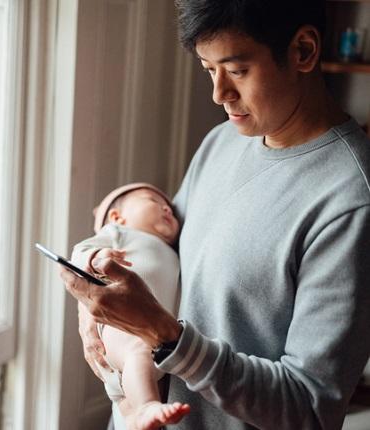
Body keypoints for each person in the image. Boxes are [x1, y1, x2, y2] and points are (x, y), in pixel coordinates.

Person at [60, 0, 370, 429]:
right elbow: (165, 252)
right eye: (209, 69)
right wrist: (94, 303)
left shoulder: (351, 202)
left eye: (237, 70)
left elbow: (310, 409)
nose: (219, 93)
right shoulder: (222, 141)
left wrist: (167, 337)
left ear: (303, 50)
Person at [71, 183, 189, 429]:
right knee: (138, 353)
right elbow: (79, 252)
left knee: (131, 388)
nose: (167, 208)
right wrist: (96, 258)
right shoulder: (118, 234)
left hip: (154, 339)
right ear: (117, 217)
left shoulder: (171, 250)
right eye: (152, 201)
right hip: (121, 325)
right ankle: (145, 406)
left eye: (168, 206)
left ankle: (135, 416)